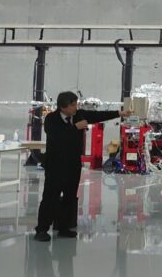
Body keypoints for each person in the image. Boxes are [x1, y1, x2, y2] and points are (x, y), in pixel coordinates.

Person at [35, 92, 125, 241]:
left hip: (73, 164)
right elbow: (57, 136)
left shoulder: (78, 115)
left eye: (76, 104)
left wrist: (119, 113)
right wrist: (75, 127)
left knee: (70, 197)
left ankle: (64, 227)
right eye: (72, 105)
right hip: (55, 165)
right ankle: (42, 229)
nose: (75, 108)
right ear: (63, 107)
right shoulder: (51, 119)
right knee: (51, 197)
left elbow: (98, 115)